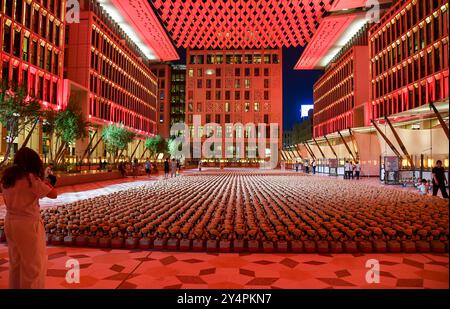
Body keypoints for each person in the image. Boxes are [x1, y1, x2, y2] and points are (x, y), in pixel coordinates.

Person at [0, 147, 57, 289]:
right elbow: (53, 194)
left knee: (15, 263)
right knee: (32, 266)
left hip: (10, 222)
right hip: (28, 224)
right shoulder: (30, 178)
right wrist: (44, 180)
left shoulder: (7, 177)